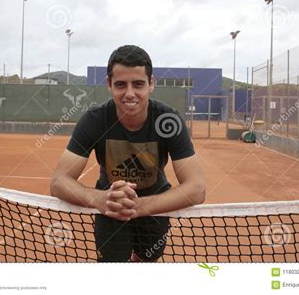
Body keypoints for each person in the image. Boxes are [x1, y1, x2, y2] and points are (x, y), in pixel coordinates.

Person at [50, 45, 205, 262]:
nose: (129, 93)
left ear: (151, 84)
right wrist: (100, 200)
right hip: (110, 207)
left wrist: (138, 207)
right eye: (121, 84)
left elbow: (197, 189)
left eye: (138, 84)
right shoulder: (94, 120)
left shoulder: (168, 120)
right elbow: (58, 182)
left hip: (156, 206)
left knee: (145, 260)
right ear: (109, 85)